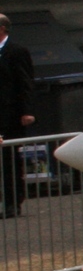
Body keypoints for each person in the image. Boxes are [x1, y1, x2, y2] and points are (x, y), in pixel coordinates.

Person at [0, 12, 37, 218]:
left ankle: (13, 201)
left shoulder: (16, 51)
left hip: (9, 115)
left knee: (9, 160)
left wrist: (27, 110)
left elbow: (25, 81)